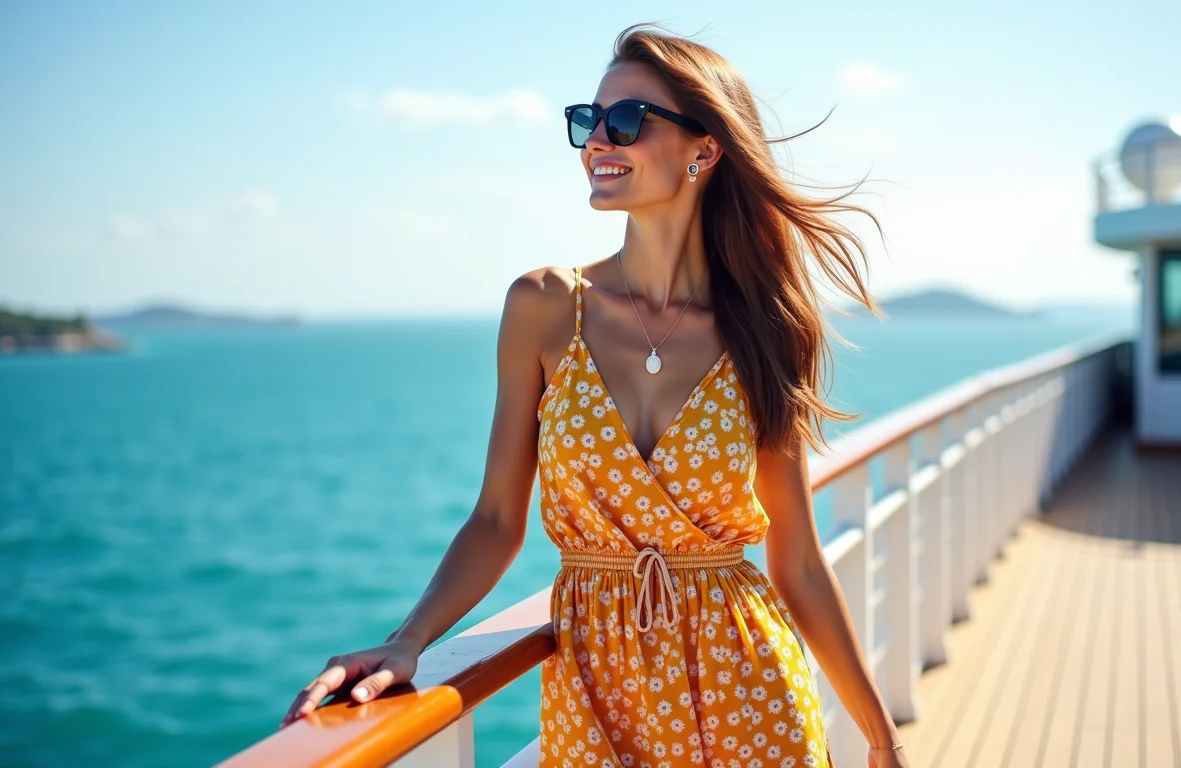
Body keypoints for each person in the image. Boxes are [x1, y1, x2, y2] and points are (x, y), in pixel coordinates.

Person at [281, 22, 910, 768]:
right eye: (588, 121)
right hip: (596, 691)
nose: (597, 142)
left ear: (703, 150)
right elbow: (494, 519)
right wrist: (408, 639)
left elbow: (799, 562)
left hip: (751, 692)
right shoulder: (544, 306)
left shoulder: (766, 331)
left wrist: (880, 738)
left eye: (626, 121)